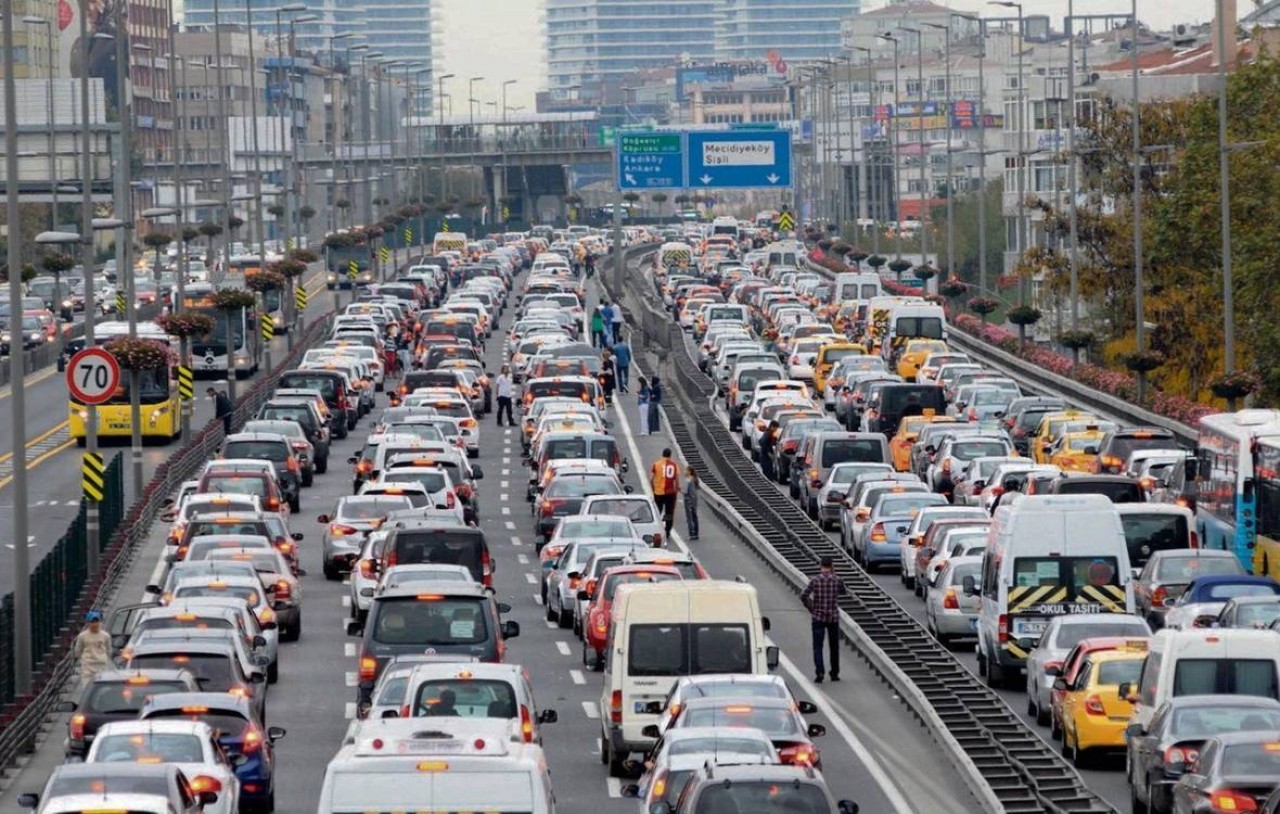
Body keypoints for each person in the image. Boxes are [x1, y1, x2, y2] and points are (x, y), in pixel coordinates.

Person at [800, 556, 846, 683]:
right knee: (834, 647)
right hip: (833, 617)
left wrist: (811, 607)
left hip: (818, 617)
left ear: (821, 565)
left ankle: (820, 672)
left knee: (818, 646)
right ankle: (834, 673)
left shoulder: (815, 580)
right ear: (832, 566)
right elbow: (843, 592)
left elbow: (803, 595)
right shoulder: (837, 579)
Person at [73, 609, 113, 684]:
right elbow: (78, 650)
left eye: (96, 621)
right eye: (92, 622)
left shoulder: (105, 636)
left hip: (101, 666)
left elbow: (109, 650)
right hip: (87, 668)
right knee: (87, 689)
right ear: (88, 623)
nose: (95, 624)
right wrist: (84, 660)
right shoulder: (82, 636)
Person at [651, 449, 680, 538]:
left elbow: (651, 479)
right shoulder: (674, 465)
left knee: (657, 511)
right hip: (670, 492)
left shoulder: (656, 464)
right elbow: (677, 480)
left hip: (658, 492)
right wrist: (676, 490)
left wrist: (653, 489)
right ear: (670, 455)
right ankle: (667, 530)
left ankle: (657, 529)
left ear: (662, 454)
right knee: (669, 512)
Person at [684, 466, 700, 541]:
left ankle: (691, 533)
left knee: (689, 518)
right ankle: (696, 533)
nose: (685, 472)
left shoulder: (688, 479)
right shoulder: (694, 479)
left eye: (686, 470)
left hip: (688, 500)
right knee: (695, 517)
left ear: (689, 472)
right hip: (694, 500)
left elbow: (685, 491)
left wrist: (678, 489)